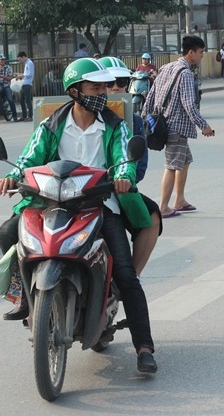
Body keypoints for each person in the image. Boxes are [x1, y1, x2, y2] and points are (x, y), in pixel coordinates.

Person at [0, 57, 157, 372]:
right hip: (52, 202)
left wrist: (124, 176)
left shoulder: (114, 125)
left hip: (99, 204)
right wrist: (13, 176)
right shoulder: (52, 124)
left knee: (125, 273)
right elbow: (30, 156)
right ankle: (22, 296)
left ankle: (144, 347)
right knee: (7, 232)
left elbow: (124, 158)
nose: (102, 92)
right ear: (75, 91)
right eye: (95, 87)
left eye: (104, 87)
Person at [99, 56, 162, 276]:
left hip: (110, 189)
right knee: (15, 228)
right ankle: (21, 291)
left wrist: (123, 178)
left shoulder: (131, 121)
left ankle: (130, 279)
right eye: (108, 83)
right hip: (68, 189)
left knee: (151, 216)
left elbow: (139, 166)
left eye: (122, 82)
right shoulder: (62, 117)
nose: (115, 88)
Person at [141, 35, 215, 219]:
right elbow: (190, 104)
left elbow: (151, 95)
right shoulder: (185, 73)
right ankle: (164, 206)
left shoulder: (166, 67)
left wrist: (145, 117)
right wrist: (204, 126)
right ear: (191, 53)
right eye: (200, 52)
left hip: (165, 124)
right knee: (172, 165)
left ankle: (179, 200)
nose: (202, 56)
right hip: (177, 127)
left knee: (184, 161)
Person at [15, 51, 33, 122]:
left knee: (27, 100)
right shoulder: (26, 63)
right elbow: (26, 74)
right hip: (24, 83)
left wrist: (20, 75)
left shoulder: (30, 63)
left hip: (27, 84)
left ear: (23, 57)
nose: (19, 61)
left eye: (20, 59)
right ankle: (24, 115)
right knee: (22, 100)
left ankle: (30, 116)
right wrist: (19, 74)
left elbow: (30, 74)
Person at [0, 54, 18, 122]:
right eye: (1, 60)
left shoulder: (8, 67)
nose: (3, 61)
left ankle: (15, 116)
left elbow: (10, 78)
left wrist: (3, 77)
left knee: (10, 100)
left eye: (4, 60)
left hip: (6, 85)